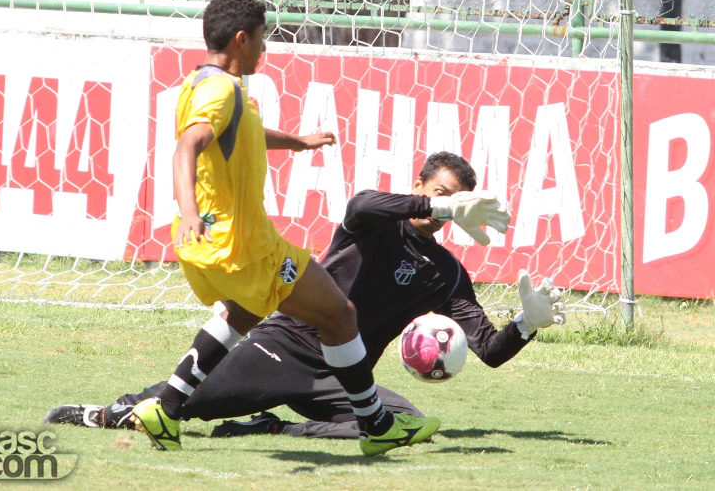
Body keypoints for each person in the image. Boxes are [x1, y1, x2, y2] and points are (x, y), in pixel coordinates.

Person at [122, 0, 509, 457]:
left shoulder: (206, 84)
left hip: (226, 241)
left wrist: (297, 142)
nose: (266, 49)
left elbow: (242, 132)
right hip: (239, 242)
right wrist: (187, 211)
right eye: (263, 40)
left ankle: (165, 407)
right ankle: (374, 425)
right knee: (340, 314)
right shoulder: (221, 89)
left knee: (246, 312)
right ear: (241, 40)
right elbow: (188, 145)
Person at [46, 152, 564, 441]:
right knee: (193, 405)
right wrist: (446, 210)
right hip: (285, 345)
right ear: (420, 185)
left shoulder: (447, 274)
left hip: (343, 378)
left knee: (404, 423)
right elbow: (361, 202)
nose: (443, 206)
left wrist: (526, 324)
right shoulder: (374, 222)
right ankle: (107, 412)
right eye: (439, 193)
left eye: (457, 200)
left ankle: (273, 429)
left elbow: (489, 351)